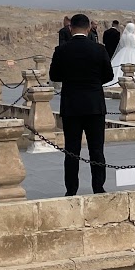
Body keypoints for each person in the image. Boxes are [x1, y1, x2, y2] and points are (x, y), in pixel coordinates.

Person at [50, 14, 114, 196]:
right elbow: (108, 76)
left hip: (71, 106)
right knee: (96, 149)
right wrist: (94, 81)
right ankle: (98, 187)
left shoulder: (61, 50)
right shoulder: (99, 49)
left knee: (72, 150)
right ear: (88, 29)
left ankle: (71, 190)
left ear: (71, 28)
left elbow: (54, 76)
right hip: (94, 105)